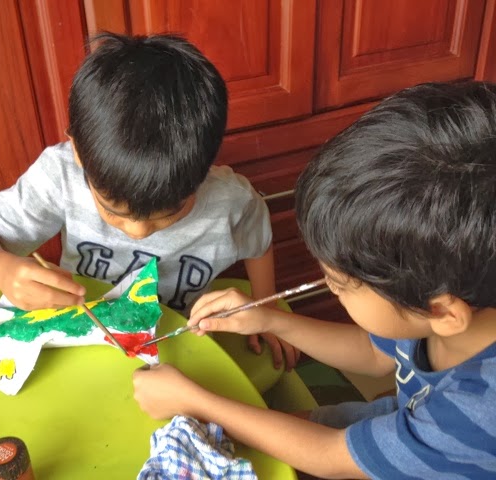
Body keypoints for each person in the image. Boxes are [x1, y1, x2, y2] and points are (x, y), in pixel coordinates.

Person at [133, 81, 496, 479]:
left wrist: (195, 403)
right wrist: (270, 319)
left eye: (340, 284)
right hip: (399, 419)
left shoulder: (481, 411)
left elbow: (330, 456)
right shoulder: (440, 291)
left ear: (443, 313)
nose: (327, 284)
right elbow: (375, 354)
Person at [0, 32, 298, 370]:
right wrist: (4, 272)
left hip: (175, 349)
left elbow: (259, 242)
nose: (138, 231)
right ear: (78, 152)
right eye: (112, 210)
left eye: (169, 213)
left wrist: (266, 306)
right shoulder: (61, 177)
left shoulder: (232, 200)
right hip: (81, 343)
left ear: (203, 173)